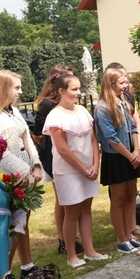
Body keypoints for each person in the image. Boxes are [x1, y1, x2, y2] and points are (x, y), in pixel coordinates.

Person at [0, 70, 46, 279]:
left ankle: (27, 266)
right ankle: (3, 273)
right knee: (12, 227)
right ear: (3, 89)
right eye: (16, 87)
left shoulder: (13, 111)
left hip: (24, 171)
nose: (20, 91)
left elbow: (27, 138)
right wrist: (24, 172)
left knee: (23, 221)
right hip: (5, 176)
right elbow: (0, 154)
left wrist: (35, 164)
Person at [44, 73, 107, 268]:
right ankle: (72, 255)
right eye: (74, 89)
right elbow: (62, 149)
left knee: (86, 209)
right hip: (68, 171)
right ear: (62, 91)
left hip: (89, 169)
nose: (78, 93)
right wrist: (82, 169)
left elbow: (93, 139)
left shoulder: (82, 111)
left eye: (79, 89)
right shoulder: (55, 116)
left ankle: (89, 250)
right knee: (71, 212)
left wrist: (96, 164)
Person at [32, 64, 85, 255]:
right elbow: (37, 134)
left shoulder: (73, 105)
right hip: (53, 157)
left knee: (72, 199)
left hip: (74, 155)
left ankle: (72, 236)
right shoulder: (47, 105)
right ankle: (63, 240)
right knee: (63, 200)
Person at [94, 67, 140, 253]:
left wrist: (136, 150)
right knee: (118, 199)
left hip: (129, 155)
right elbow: (111, 138)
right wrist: (129, 155)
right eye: (123, 82)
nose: (127, 85)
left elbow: (133, 126)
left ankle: (130, 236)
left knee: (130, 195)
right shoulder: (102, 107)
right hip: (116, 157)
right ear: (111, 84)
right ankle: (122, 239)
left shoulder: (122, 102)